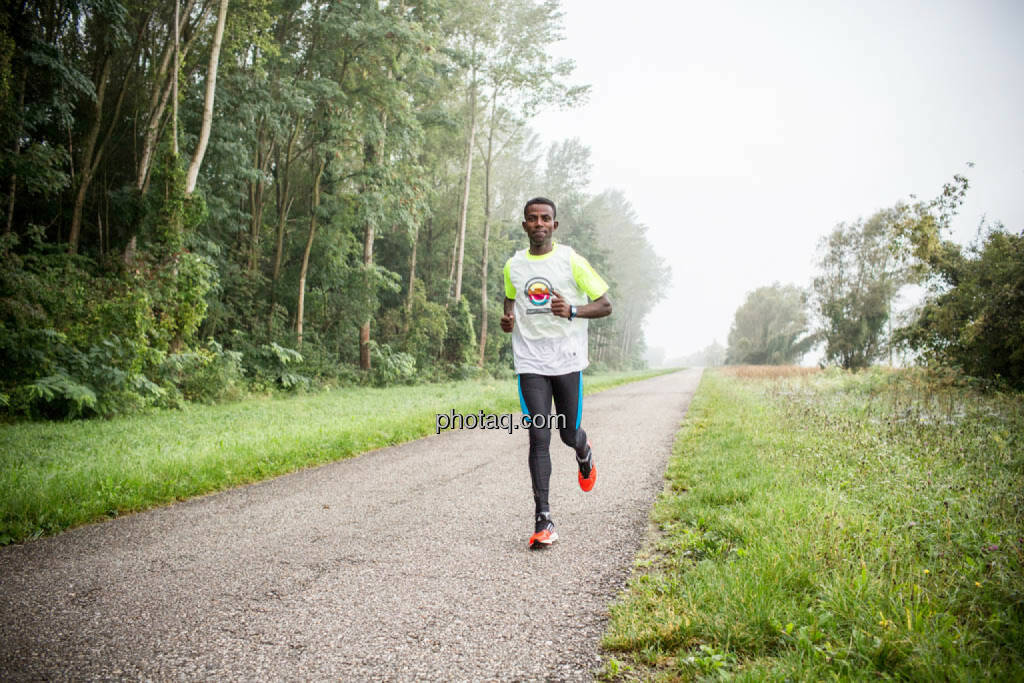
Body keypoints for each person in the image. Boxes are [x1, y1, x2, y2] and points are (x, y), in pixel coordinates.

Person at [501, 197, 612, 549]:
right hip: (530, 362)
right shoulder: (513, 266)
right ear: (524, 226)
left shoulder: (571, 261)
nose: (539, 224)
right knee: (539, 437)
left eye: (545, 218)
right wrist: (508, 320)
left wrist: (574, 309)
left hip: (567, 360)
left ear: (555, 225)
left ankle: (583, 449)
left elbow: (606, 304)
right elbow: (509, 299)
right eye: (532, 219)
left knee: (566, 434)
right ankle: (544, 519)